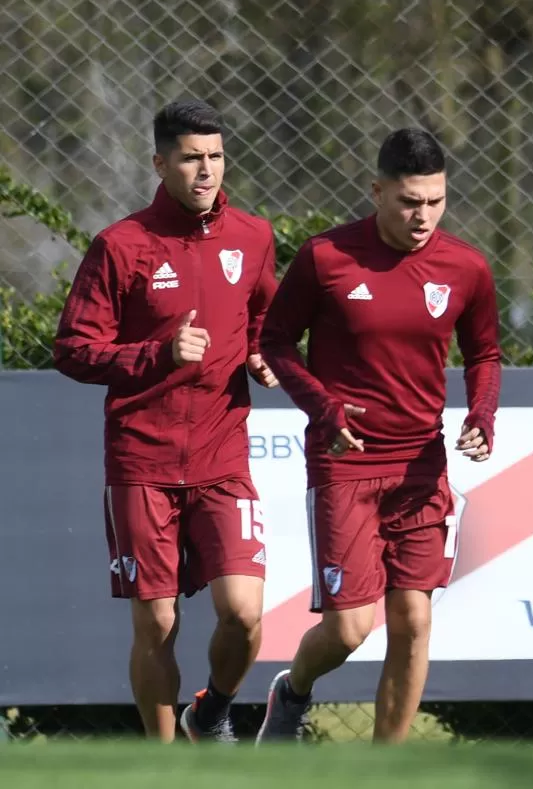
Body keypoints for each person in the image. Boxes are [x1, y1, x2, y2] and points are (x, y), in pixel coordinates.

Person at [254, 128, 500, 744]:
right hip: (345, 465)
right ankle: (293, 690)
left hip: (421, 468)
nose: (423, 216)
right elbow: (275, 342)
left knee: (414, 617)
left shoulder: (466, 266)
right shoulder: (326, 257)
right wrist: (322, 408)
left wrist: (482, 415)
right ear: (378, 191)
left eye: (435, 201)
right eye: (409, 201)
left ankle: (385, 767)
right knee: (349, 629)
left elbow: (486, 354)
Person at [52, 99, 279, 742]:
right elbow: (72, 349)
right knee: (156, 622)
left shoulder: (253, 236)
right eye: (190, 158)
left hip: (222, 456)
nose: (205, 171)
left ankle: (210, 714)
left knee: (243, 614)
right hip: (141, 460)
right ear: (160, 162)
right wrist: (157, 353)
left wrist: (261, 352)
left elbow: (266, 315)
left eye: (215, 156)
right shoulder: (121, 246)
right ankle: (166, 764)